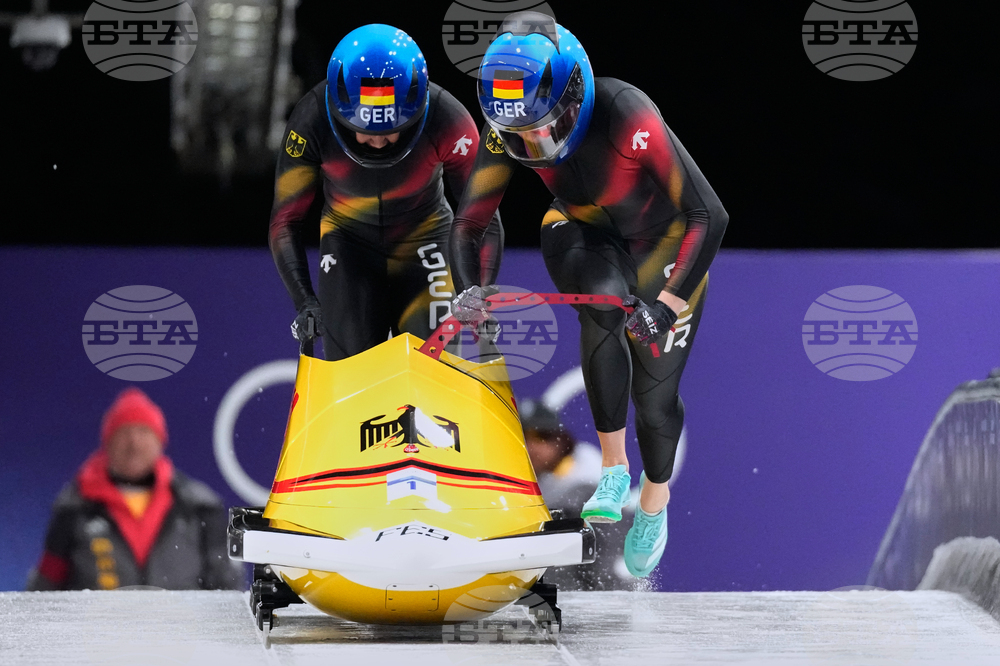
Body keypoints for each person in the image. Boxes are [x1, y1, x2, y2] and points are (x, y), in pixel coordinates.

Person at [450, 13, 728, 577]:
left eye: (544, 129)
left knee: (654, 401)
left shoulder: (627, 114)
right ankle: (612, 467)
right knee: (602, 306)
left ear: (573, 93)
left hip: (665, 238)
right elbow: (468, 225)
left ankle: (654, 502)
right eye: (522, 133)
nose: (534, 143)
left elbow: (709, 214)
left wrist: (667, 303)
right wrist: (468, 292)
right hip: (580, 229)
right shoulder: (509, 125)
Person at [269, 24, 503, 359]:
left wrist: (476, 294)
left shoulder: (449, 119)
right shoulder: (310, 122)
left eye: (391, 129)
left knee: (433, 376)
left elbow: (483, 218)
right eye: (363, 130)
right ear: (339, 115)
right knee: (354, 378)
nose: (378, 141)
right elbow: (285, 221)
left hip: (426, 241)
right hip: (349, 247)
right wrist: (304, 300)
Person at [26, 388, 244, 591]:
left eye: (143, 432)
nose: (134, 443)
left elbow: (226, 585)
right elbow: (46, 588)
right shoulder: (74, 509)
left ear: (160, 441)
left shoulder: (198, 507)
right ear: (108, 442)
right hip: (96, 631)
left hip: (181, 631)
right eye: (124, 432)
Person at [519, 398, 631, 591]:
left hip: (588, 606)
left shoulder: (590, 488)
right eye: (522, 438)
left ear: (561, 440)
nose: (532, 446)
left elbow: (608, 575)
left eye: (543, 436)